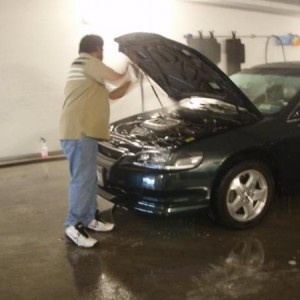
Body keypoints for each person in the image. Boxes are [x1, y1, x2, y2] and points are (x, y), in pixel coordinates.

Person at [59, 34, 131, 248]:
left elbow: (114, 93)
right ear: (96, 49)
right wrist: (130, 64)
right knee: (81, 180)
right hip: (78, 132)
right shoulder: (86, 62)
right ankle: (73, 225)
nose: (103, 55)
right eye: (102, 50)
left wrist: (131, 82)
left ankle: (89, 218)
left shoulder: (87, 69)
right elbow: (116, 77)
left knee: (89, 178)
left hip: (83, 133)